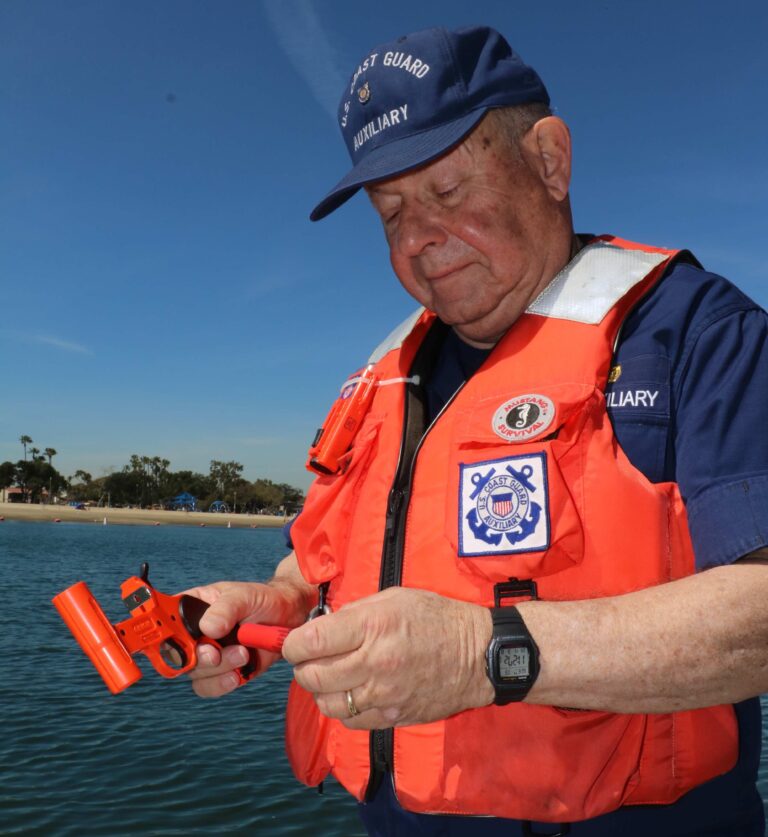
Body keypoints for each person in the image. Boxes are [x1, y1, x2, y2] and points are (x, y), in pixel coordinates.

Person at [185, 25, 768, 836]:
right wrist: (272, 608)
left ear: (549, 162)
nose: (419, 237)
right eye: (392, 215)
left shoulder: (699, 334)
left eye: (448, 192)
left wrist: (479, 654)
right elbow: (317, 562)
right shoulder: (386, 374)